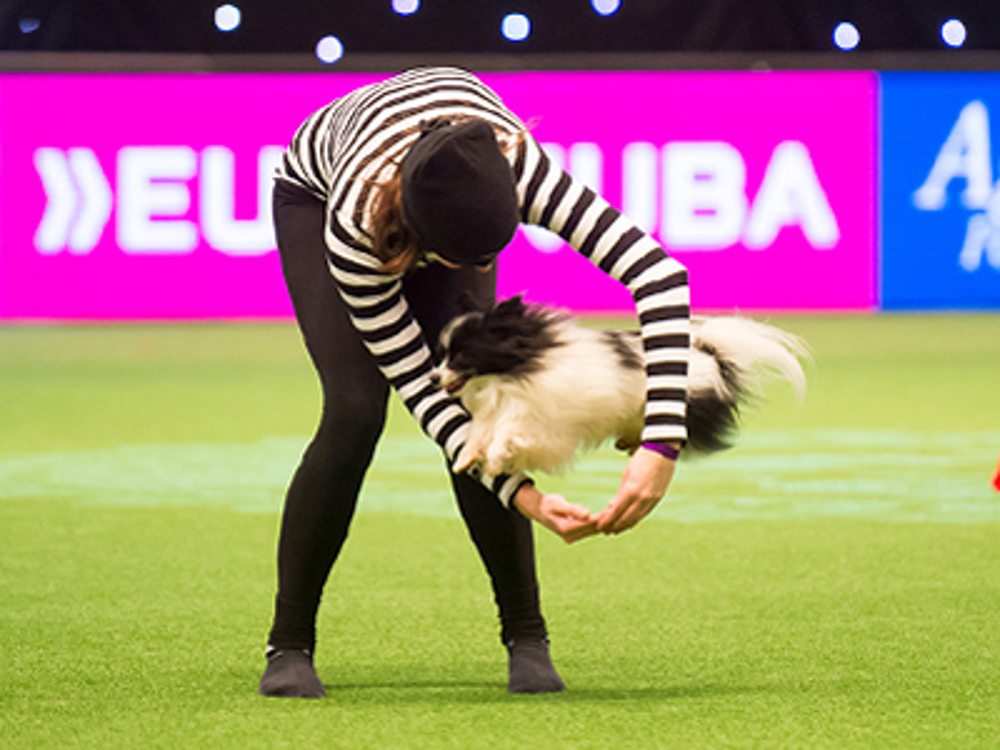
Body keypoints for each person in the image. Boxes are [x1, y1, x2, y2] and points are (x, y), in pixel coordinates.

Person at [259, 66, 689, 698]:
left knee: (486, 396)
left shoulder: (517, 166)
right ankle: (289, 643)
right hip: (318, 191)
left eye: (490, 253)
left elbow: (660, 276)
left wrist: (661, 445)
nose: (476, 270)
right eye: (462, 259)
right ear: (421, 241)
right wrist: (525, 498)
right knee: (354, 410)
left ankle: (527, 636)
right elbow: (422, 390)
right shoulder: (355, 231)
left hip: (436, 181)